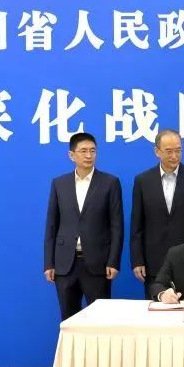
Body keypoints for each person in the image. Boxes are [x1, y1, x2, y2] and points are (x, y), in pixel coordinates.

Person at [43, 132, 123, 320]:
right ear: (71, 155)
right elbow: (52, 225)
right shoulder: (59, 184)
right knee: (68, 319)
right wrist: (49, 263)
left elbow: (117, 226)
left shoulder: (110, 183)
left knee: (101, 320)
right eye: (83, 151)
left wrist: (113, 261)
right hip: (65, 265)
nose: (89, 155)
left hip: (98, 264)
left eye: (93, 151)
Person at [129, 129, 184, 294]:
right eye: (169, 151)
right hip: (153, 261)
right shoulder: (143, 181)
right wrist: (137, 260)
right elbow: (137, 224)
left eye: (178, 150)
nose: (175, 156)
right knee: (157, 306)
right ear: (157, 151)